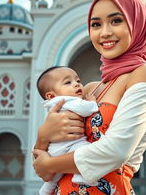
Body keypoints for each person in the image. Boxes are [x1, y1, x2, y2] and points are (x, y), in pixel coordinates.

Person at [33, 0, 146, 194]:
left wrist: (51, 164)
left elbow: (116, 152)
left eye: (116, 21)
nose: (105, 32)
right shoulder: (91, 89)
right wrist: (43, 137)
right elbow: (41, 169)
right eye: (96, 24)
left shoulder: (144, 75)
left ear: (137, 23)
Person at [36, 66, 99, 195]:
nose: (76, 84)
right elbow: (86, 109)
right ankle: (80, 176)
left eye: (78, 80)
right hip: (71, 144)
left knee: (53, 178)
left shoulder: (54, 104)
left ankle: (46, 190)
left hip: (55, 149)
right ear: (51, 95)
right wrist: (92, 102)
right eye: (68, 82)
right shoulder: (67, 101)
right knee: (84, 149)